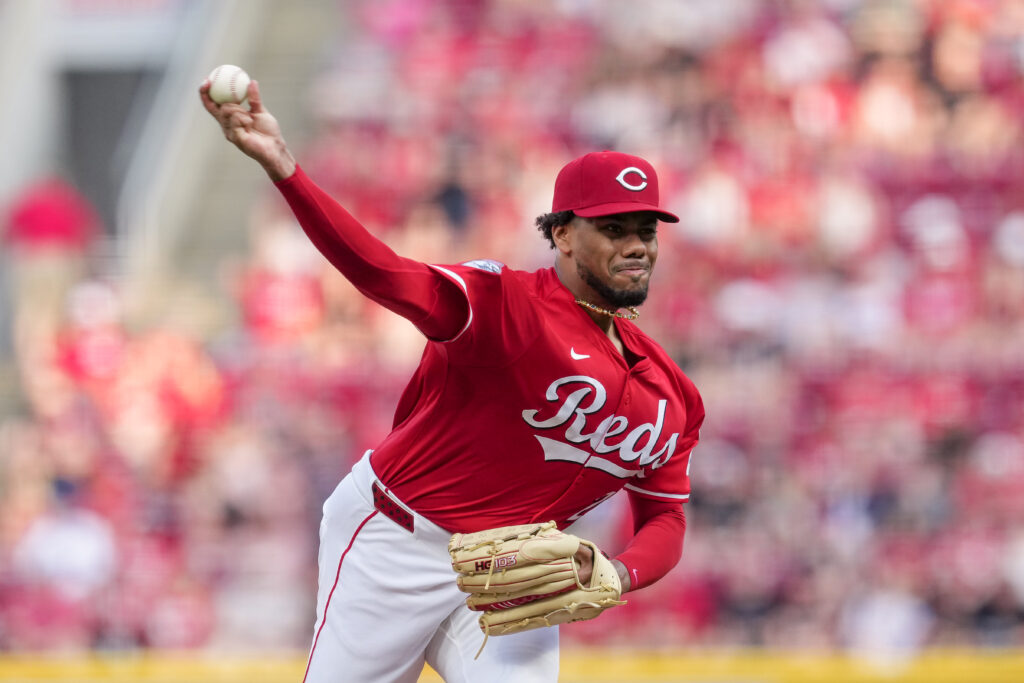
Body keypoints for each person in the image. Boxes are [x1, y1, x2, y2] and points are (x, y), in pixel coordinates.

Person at [199, 77, 704, 683]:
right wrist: (287, 170)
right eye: (614, 229)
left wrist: (620, 574)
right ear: (564, 234)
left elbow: (666, 520)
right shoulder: (504, 304)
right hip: (395, 537)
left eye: (645, 231)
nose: (636, 246)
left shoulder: (671, 396)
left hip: (511, 571)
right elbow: (382, 272)